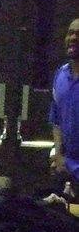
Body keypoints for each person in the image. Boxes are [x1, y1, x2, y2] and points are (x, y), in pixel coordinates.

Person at [50, 18, 79, 198]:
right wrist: (59, 156)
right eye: (70, 33)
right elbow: (56, 119)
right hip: (66, 171)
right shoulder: (60, 75)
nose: (73, 38)